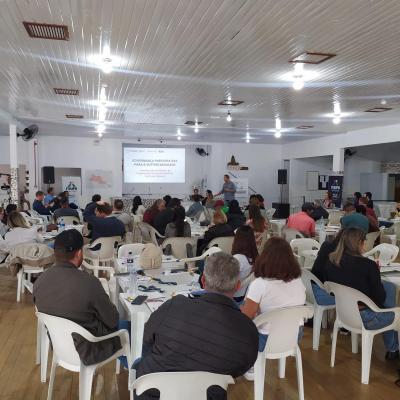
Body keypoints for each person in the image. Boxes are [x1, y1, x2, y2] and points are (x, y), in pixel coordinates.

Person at [135, 253, 259, 400]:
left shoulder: (174, 305)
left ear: (203, 281)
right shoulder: (247, 330)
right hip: (209, 395)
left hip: (153, 393)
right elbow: (240, 369)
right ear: (238, 286)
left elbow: (147, 338)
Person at [33, 229, 121, 365]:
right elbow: (113, 320)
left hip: (58, 346)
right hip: (90, 350)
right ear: (79, 253)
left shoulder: (39, 281)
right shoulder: (89, 282)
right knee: (130, 329)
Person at [323, 228, 399, 359]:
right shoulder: (368, 265)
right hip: (367, 318)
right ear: (360, 243)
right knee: (393, 304)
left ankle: (393, 348)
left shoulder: (330, 261)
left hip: (344, 314)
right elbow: (380, 298)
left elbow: (331, 289)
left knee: (389, 287)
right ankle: (393, 348)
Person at [241, 237, 306, 353]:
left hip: (266, 340)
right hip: (295, 335)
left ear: (264, 257)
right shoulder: (298, 281)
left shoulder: (260, 284)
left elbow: (245, 318)